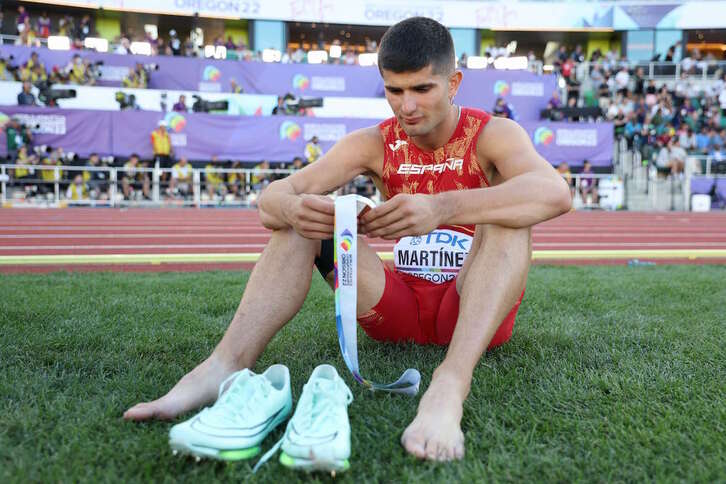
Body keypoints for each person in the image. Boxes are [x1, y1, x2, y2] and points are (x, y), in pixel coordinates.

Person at [123, 17, 571, 462]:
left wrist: (442, 208)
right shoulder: (373, 143)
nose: (406, 106)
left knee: (511, 217)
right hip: (397, 308)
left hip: (472, 309)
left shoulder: (493, 134)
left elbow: (555, 193)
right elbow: (271, 200)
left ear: (453, 82)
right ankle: (223, 364)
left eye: (421, 89)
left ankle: (449, 385)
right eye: (394, 91)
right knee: (304, 217)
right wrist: (294, 208)